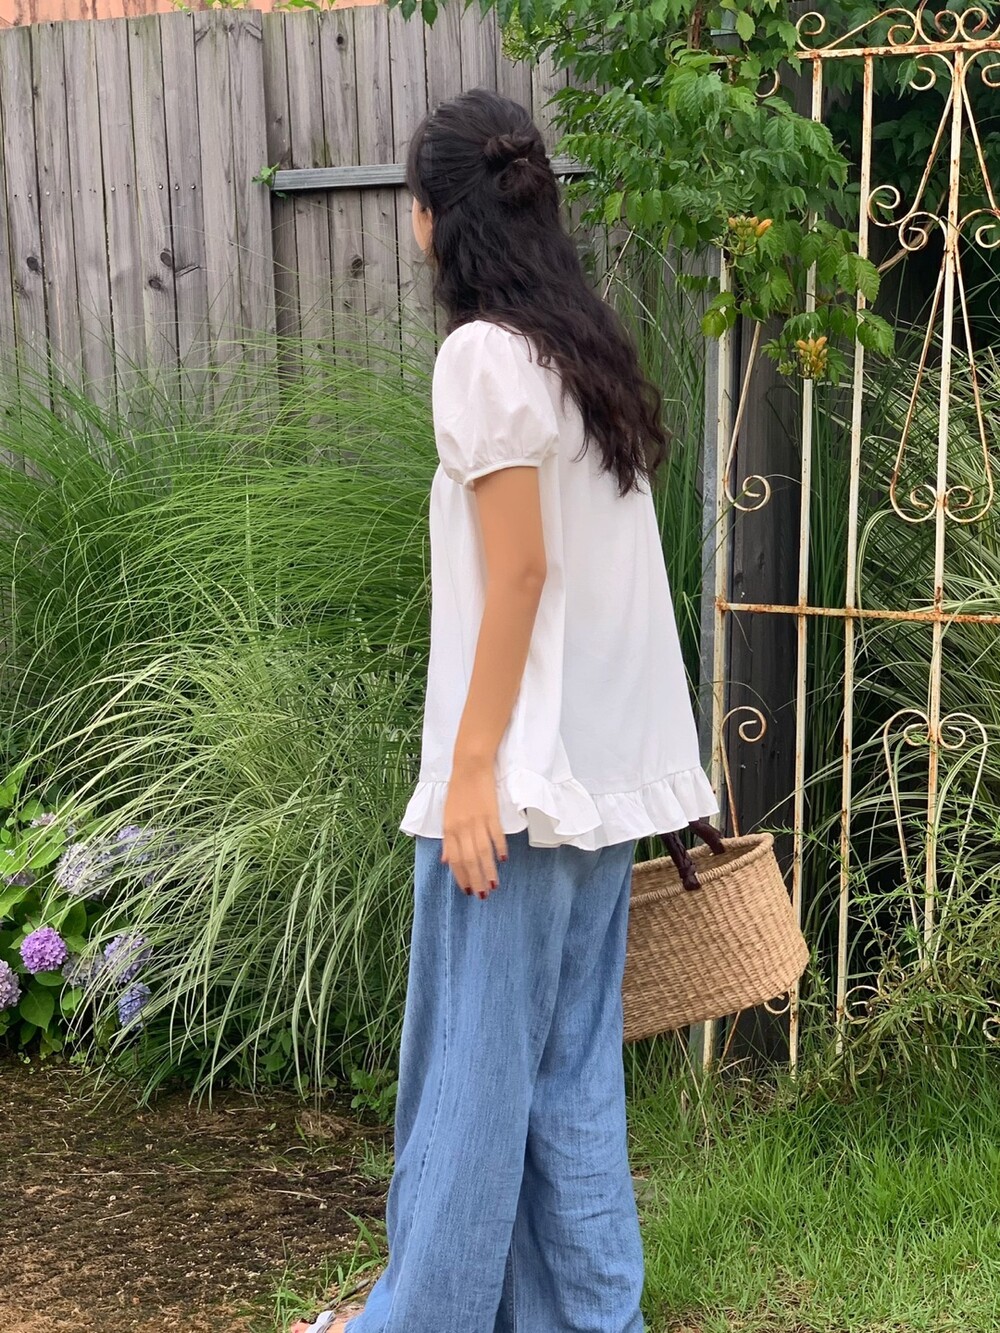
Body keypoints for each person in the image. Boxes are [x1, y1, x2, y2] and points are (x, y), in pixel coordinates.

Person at [291, 86, 718, 1333]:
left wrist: (473, 768)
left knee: (468, 1087)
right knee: (568, 1078)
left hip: (519, 790)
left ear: (432, 217)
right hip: (595, 780)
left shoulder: (482, 356)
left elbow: (520, 573)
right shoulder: (582, 354)